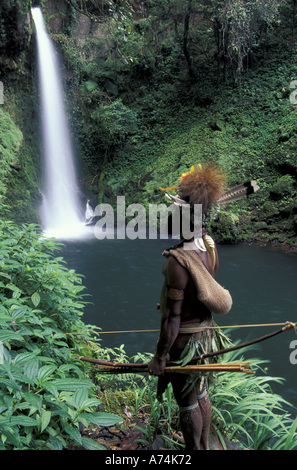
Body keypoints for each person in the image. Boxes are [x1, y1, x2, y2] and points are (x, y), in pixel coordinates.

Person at [148, 163, 233, 450]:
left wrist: (160, 357)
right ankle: (204, 447)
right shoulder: (208, 246)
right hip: (204, 336)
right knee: (201, 393)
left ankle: (194, 450)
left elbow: (172, 317)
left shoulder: (178, 262)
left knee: (186, 402)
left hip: (184, 343)